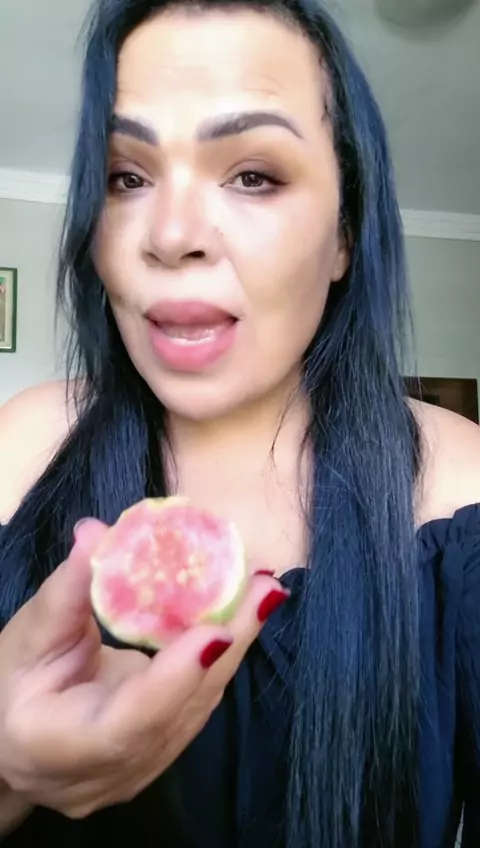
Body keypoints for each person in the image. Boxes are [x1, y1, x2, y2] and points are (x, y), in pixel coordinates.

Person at [0, 0, 479, 845]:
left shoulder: (465, 490)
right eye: (126, 177)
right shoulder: (20, 446)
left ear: (345, 235)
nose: (171, 235)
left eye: (253, 174)